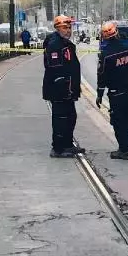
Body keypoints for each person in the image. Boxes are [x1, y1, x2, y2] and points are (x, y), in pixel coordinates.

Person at [96, 21, 128, 159]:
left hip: (117, 94)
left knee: (118, 122)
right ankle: (127, 147)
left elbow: (102, 76)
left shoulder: (106, 54)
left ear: (104, 36)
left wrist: (99, 94)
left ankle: (123, 150)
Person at [42, 15, 84, 158]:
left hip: (68, 90)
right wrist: (65, 88)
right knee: (60, 118)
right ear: (57, 28)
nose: (68, 30)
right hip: (59, 91)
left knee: (71, 117)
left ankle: (67, 144)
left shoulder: (65, 44)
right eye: (65, 28)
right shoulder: (55, 44)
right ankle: (58, 148)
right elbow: (56, 70)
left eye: (69, 27)